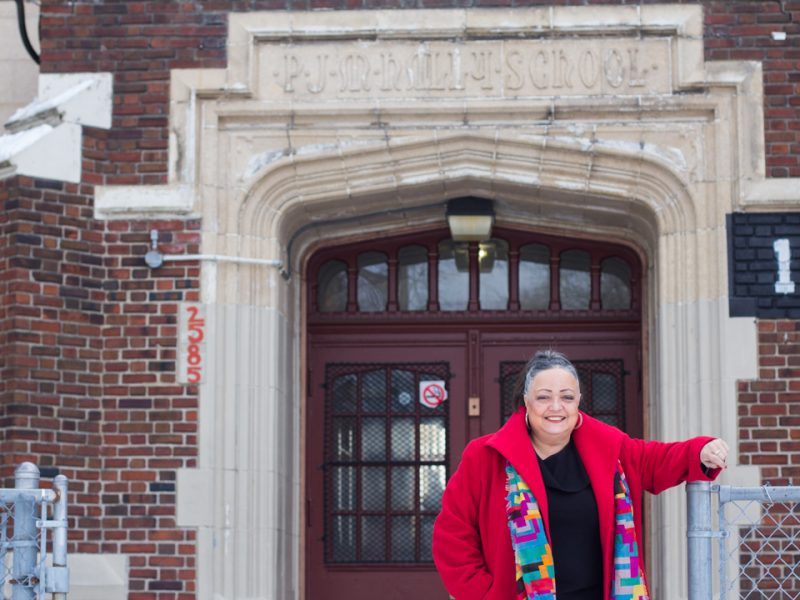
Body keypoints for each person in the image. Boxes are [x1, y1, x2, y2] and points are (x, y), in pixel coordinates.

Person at [432, 350, 728, 600]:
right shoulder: (485, 457)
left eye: (567, 397)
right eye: (544, 397)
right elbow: (452, 537)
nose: (556, 407)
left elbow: (657, 460)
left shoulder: (610, 447)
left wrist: (700, 451)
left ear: (578, 401)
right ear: (526, 400)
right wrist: (485, 595)